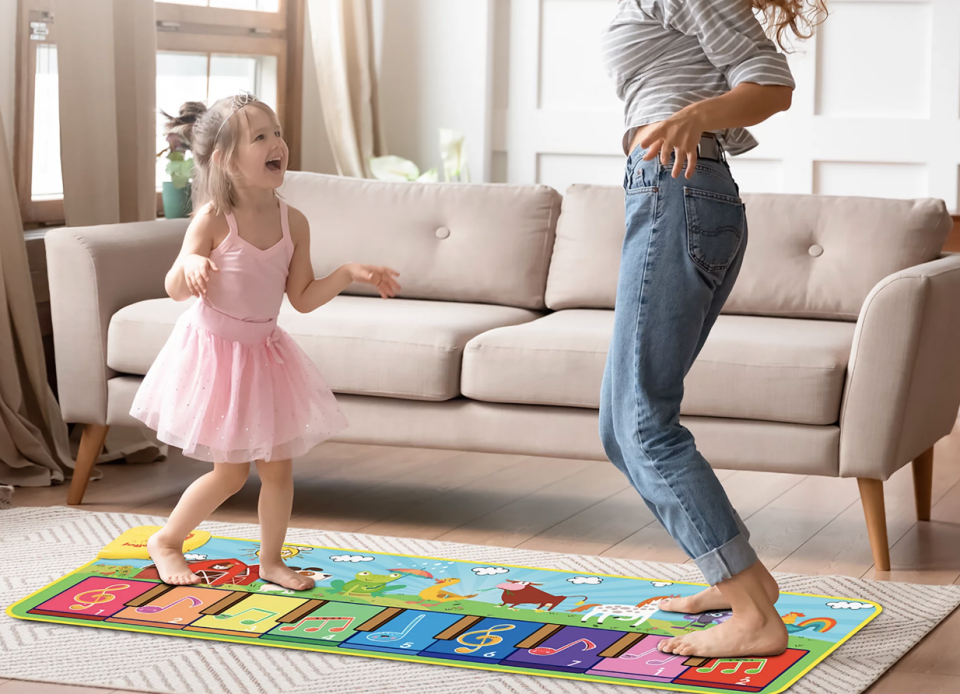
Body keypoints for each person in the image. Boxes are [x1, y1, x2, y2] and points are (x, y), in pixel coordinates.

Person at [599, 0, 824, 657]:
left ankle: (755, 615)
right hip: (668, 191)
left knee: (644, 422)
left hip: (677, 190)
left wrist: (696, 114)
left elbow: (771, 84)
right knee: (622, 426)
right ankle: (734, 582)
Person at [133, 95, 401, 590]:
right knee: (231, 474)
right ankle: (167, 541)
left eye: (276, 132)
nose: (277, 142)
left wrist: (346, 273)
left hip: (265, 353)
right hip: (215, 353)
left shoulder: (292, 221)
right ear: (225, 159)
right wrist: (190, 265)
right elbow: (174, 287)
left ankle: (272, 562)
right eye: (261, 137)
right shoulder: (213, 218)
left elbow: (301, 297)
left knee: (278, 470)